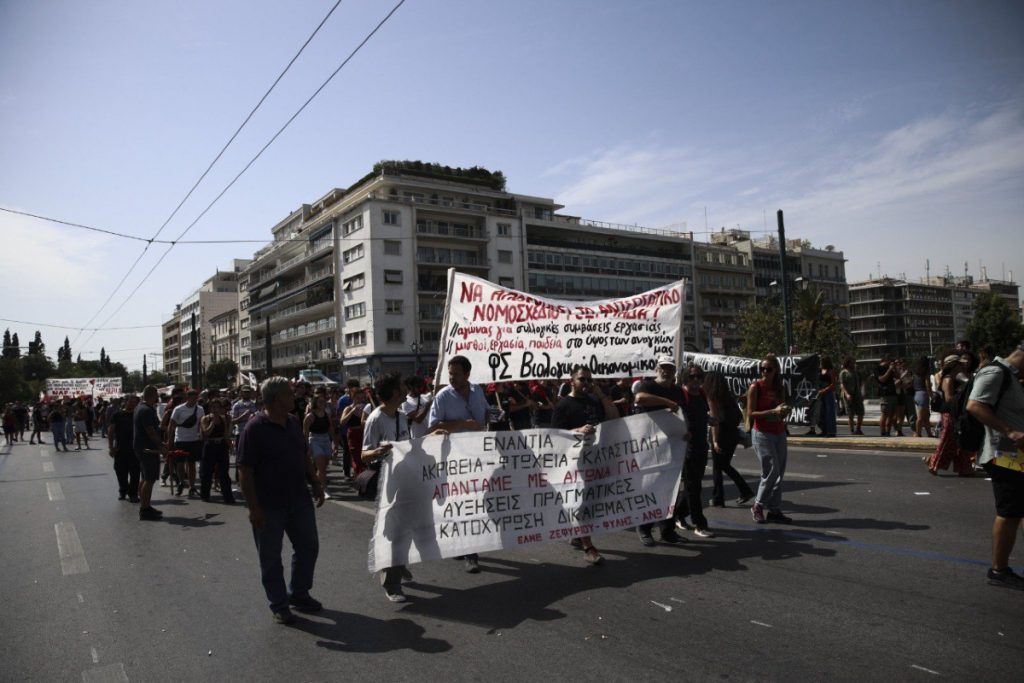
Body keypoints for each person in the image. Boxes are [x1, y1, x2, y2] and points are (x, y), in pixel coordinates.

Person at [238, 376, 325, 624]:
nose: (294, 397)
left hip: (299, 500)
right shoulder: (254, 429)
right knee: (271, 557)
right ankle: (279, 603)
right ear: (276, 399)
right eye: (289, 394)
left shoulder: (294, 422)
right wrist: (253, 508)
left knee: (308, 547)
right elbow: (245, 472)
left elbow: (304, 456)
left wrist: (316, 483)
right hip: (268, 506)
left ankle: (298, 593)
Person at [966, 341, 1024, 590]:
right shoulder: (995, 372)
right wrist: (1010, 432)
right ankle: (999, 570)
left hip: (1016, 457)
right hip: (1003, 455)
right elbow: (975, 405)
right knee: (1009, 512)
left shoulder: (1011, 377)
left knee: (1016, 511)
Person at [550, 365, 619, 564]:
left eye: (590, 380)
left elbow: (614, 418)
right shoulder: (563, 405)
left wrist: (601, 395)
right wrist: (578, 430)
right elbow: (554, 437)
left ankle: (579, 535)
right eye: (583, 379)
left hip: (596, 461)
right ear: (572, 381)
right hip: (575, 465)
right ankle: (588, 547)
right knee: (581, 503)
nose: (587, 383)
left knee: (592, 502)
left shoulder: (595, 402)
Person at [427, 355, 488, 573]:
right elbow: (432, 427)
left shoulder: (477, 391)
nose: (452, 377)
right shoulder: (443, 396)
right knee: (464, 504)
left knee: (473, 503)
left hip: (477, 455)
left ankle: (462, 544)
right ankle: (470, 553)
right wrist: (463, 423)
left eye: (456, 374)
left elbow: (485, 415)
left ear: (467, 374)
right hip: (454, 459)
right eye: (450, 373)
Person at [361, 372, 415, 600]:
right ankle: (391, 584)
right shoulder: (376, 418)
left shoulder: (402, 416)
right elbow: (364, 454)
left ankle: (398, 562)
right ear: (394, 392)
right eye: (402, 386)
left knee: (406, 529)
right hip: (386, 484)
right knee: (391, 533)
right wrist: (379, 451)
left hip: (404, 480)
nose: (406, 389)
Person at [633, 356, 689, 545]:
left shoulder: (678, 390)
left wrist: (686, 431)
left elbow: (682, 412)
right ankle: (645, 528)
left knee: (671, 489)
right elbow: (640, 399)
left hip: (672, 446)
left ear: (675, 372)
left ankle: (667, 530)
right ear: (657, 369)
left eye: (670, 368)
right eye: (663, 368)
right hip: (650, 446)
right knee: (651, 487)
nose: (666, 371)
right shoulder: (647, 386)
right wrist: (666, 402)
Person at [747, 354, 792, 524]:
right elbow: (751, 414)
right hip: (762, 433)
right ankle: (757, 505)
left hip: (779, 432)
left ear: (776, 371)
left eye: (768, 369)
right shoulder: (755, 387)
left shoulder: (780, 387)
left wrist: (784, 410)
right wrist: (773, 411)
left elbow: (783, 406)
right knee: (771, 471)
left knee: (779, 472)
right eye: (762, 369)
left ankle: (774, 510)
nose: (764, 372)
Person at [673, 363, 717, 537]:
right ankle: (699, 523)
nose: (696, 379)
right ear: (685, 377)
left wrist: (709, 420)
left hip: (701, 445)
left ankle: (678, 514)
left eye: (699, 376)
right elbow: (675, 416)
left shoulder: (701, 393)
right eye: (692, 376)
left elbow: (701, 414)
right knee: (693, 486)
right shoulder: (681, 395)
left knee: (694, 484)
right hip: (687, 447)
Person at [704, 371, 754, 508]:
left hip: (721, 434)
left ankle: (718, 498)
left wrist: (714, 441)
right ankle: (744, 490)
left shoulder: (712, 397)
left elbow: (716, 421)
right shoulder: (728, 396)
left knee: (718, 468)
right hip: (732, 435)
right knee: (724, 465)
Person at [927, 355, 973, 476]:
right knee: (948, 441)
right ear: (954, 366)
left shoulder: (954, 378)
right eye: (960, 364)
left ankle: (964, 468)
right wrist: (962, 394)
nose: (963, 366)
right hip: (950, 414)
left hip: (955, 413)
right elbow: (949, 399)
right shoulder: (948, 379)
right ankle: (933, 463)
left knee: (959, 442)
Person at [134, 386, 167, 521]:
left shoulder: (140, 407)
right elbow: (151, 430)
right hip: (148, 448)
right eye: (157, 394)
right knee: (149, 479)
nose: (158, 397)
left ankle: (145, 506)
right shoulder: (146, 410)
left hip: (142, 447)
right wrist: (161, 445)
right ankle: (145, 510)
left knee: (145, 477)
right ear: (153, 395)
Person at [168, 389, 204, 496]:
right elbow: (171, 424)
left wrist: (202, 435)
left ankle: (192, 486)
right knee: (180, 464)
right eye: (192, 398)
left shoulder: (200, 409)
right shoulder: (178, 409)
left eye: (196, 398)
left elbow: (201, 424)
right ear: (187, 398)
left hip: (194, 440)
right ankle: (181, 482)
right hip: (180, 440)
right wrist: (169, 440)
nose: (194, 400)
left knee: (191, 464)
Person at [200, 398, 235, 504]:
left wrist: (230, 445)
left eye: (218, 407)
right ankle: (205, 495)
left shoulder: (224, 418)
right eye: (213, 407)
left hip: (221, 446)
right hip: (210, 446)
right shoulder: (205, 419)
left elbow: (225, 434)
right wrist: (212, 423)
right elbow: (205, 433)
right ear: (210, 408)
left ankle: (228, 496)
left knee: (224, 472)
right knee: (207, 472)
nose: (215, 409)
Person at [303, 395, 337, 500]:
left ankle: (315, 482)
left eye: (323, 402)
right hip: (315, 439)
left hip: (326, 439)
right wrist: (307, 447)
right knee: (321, 466)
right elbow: (305, 432)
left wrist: (335, 443)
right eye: (320, 402)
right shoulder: (310, 416)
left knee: (324, 465)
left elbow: (331, 428)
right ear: (315, 403)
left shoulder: (326, 415)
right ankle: (324, 489)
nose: (322, 404)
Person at [108, 396, 141, 502]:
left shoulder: (138, 415)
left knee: (135, 472)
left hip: (135, 448)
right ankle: (123, 491)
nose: (132, 404)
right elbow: (111, 431)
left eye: (134, 402)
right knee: (120, 471)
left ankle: (133, 494)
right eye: (130, 401)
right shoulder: (117, 415)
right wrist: (111, 447)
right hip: (120, 448)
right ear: (125, 402)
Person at [335, 379, 362, 478]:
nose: (359, 399)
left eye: (361, 397)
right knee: (349, 454)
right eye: (357, 397)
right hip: (348, 432)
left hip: (362, 434)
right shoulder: (343, 401)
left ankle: (359, 476)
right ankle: (347, 473)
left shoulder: (364, 406)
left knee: (360, 457)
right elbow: (340, 417)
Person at [400, 376, 433, 440]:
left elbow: (436, 393)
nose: (421, 389)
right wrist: (427, 406)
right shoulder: (406, 402)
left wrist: (427, 385)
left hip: (430, 435)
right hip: (418, 438)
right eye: (418, 386)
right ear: (411, 387)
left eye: (422, 386)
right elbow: (418, 419)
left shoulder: (425, 397)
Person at [839, 358, 864, 435]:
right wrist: (847, 394)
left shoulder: (857, 372)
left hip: (858, 395)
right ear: (848, 363)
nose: (853, 364)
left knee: (861, 412)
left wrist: (862, 393)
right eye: (852, 362)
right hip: (848, 395)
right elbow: (842, 385)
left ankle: (858, 429)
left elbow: (861, 383)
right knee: (850, 414)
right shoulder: (843, 373)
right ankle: (852, 430)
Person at [912, 356, 935, 438]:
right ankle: (918, 433)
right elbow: (928, 385)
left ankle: (929, 433)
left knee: (926, 416)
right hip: (923, 394)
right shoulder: (925, 372)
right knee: (921, 417)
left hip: (916, 394)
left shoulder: (915, 372)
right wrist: (932, 396)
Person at [875, 356, 898, 436]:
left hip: (893, 393)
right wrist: (889, 369)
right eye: (888, 361)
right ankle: (882, 431)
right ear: (884, 361)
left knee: (892, 414)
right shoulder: (878, 369)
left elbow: (898, 377)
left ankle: (888, 431)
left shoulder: (891, 368)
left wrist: (894, 369)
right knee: (885, 413)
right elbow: (882, 379)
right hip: (884, 394)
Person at [816, 357, 838, 438]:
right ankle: (824, 430)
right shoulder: (820, 370)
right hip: (821, 393)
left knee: (829, 413)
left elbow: (833, 384)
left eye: (822, 362)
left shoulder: (831, 371)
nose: (820, 363)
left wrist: (825, 390)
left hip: (828, 393)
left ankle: (831, 431)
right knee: (822, 413)